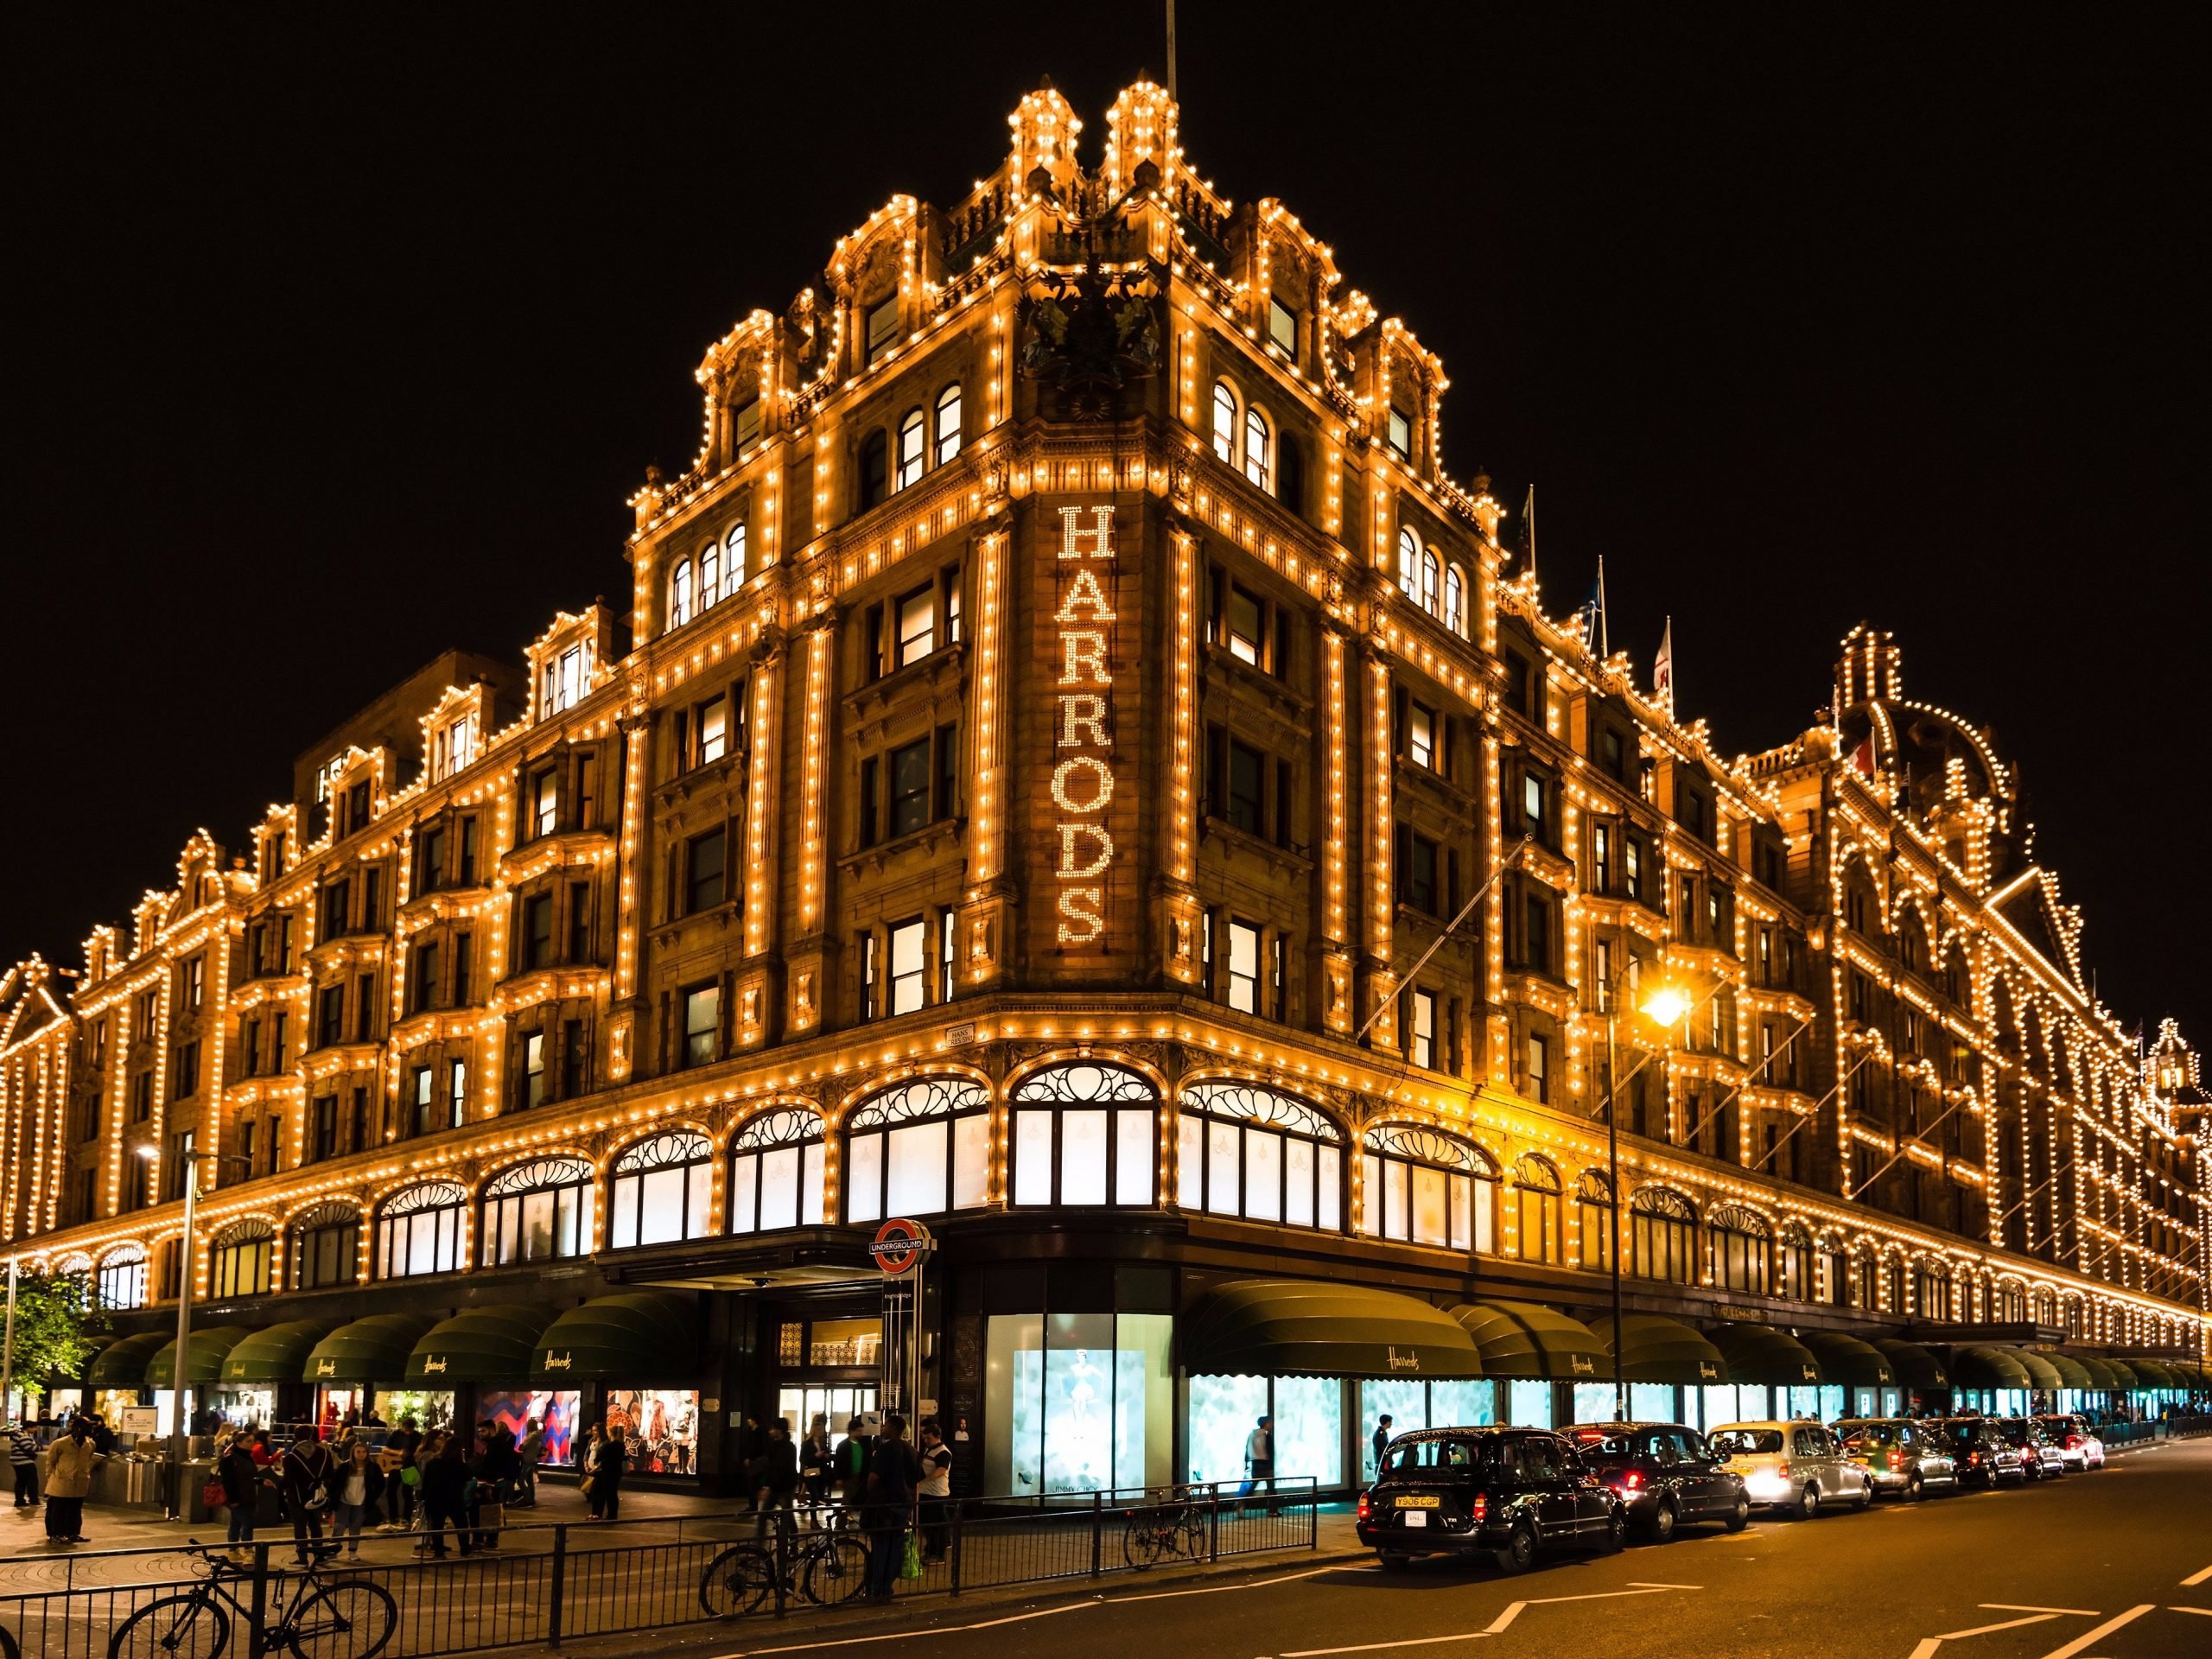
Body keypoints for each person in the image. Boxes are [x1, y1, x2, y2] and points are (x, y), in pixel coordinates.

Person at [861, 1414, 920, 1602]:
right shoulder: (912, 1450)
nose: (882, 1427)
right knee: (894, 1548)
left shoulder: (885, 1449)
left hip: (884, 1506)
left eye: (885, 1424)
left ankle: (875, 1589)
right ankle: (886, 1588)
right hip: (903, 1506)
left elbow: (873, 1478)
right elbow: (917, 1478)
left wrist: (870, 1494)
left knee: (880, 1548)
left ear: (894, 1428)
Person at [279, 1424, 336, 1565]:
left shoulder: (291, 1457)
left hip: (297, 1498)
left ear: (295, 1436)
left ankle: (303, 1558)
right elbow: (330, 1475)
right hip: (317, 1496)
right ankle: (319, 1555)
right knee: (315, 1525)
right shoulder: (325, 1453)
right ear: (311, 1435)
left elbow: (288, 1480)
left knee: (300, 1528)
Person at [42, 1416, 102, 1545]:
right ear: (77, 1428)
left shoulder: (90, 1444)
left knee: (75, 1510)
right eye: (87, 1426)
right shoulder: (60, 1443)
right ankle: (55, 1534)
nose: (90, 1429)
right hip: (61, 1482)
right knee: (57, 1510)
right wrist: (53, 1477)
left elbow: (88, 1459)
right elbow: (50, 1462)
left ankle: (73, 1533)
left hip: (80, 1482)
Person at [416, 1433, 470, 1558]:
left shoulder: (433, 1463)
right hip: (454, 1498)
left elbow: (426, 1481)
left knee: (437, 1526)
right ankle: (465, 1549)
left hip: (434, 1498)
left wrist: (424, 1497)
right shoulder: (459, 1465)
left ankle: (439, 1552)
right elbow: (468, 1476)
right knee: (461, 1524)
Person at [468, 1420, 518, 1551]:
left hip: (489, 1484)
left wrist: (489, 1485)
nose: (480, 1434)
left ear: (491, 1430)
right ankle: (491, 1539)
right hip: (496, 1483)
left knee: (478, 1512)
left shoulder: (495, 1445)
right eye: (479, 1431)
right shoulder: (497, 1444)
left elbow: (493, 1466)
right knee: (492, 1511)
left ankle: (479, 1540)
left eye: (483, 1431)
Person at [334, 1439, 385, 1559]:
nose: (361, 1454)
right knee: (339, 1527)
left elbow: (380, 1484)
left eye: (363, 1451)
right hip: (344, 1500)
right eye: (358, 1452)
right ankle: (333, 1550)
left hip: (361, 1502)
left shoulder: (373, 1467)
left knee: (355, 1527)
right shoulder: (345, 1467)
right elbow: (335, 1484)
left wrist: (372, 1497)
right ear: (353, 1453)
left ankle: (352, 1551)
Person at [217, 1432, 262, 1561]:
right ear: (238, 1443)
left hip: (248, 1495)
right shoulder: (230, 1459)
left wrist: (261, 1481)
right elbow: (228, 1481)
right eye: (248, 1441)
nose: (252, 1443)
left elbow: (249, 1477)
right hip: (239, 1497)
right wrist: (233, 1500)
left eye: (253, 1440)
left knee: (236, 1523)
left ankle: (233, 1551)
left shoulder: (248, 1457)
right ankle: (248, 1552)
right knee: (247, 1523)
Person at [752, 1417, 799, 1536]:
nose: (770, 1431)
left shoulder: (788, 1447)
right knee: (764, 1516)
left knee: (788, 1518)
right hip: (775, 1487)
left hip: (785, 1488)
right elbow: (770, 1467)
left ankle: (793, 1543)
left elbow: (780, 1469)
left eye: (773, 1429)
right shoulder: (773, 1445)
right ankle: (759, 1547)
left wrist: (768, 1487)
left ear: (780, 1430)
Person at [916, 1421, 952, 1564]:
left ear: (937, 1437)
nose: (925, 1441)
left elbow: (941, 1470)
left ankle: (938, 1554)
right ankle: (930, 1551)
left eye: (928, 1438)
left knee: (937, 1526)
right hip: (926, 1492)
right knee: (927, 1525)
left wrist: (923, 1481)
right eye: (924, 1438)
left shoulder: (943, 1452)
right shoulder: (929, 1449)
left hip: (937, 1494)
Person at [380, 1416, 420, 1529]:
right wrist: (397, 1452)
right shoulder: (396, 1434)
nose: (408, 1432)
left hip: (409, 1467)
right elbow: (385, 1449)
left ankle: (407, 1518)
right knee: (391, 1491)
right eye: (406, 1429)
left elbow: (419, 1452)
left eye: (410, 1429)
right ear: (403, 1427)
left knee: (407, 1493)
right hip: (395, 1467)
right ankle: (394, 1517)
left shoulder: (417, 1437)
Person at [834, 1415, 871, 1513]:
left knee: (852, 1499)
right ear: (852, 1431)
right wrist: (839, 1478)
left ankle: (844, 1519)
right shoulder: (843, 1445)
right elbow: (838, 1462)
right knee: (848, 1499)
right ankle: (841, 1522)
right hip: (849, 1476)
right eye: (858, 1430)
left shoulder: (862, 1444)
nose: (861, 1433)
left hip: (860, 1476)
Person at [594, 1426, 628, 1521]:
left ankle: (609, 1515)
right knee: (613, 1493)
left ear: (611, 1433)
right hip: (617, 1472)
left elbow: (599, 1458)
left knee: (608, 1493)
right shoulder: (621, 1445)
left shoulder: (609, 1446)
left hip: (608, 1472)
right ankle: (613, 1514)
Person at [800, 1414, 835, 1510]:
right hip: (811, 1473)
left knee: (819, 1496)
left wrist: (827, 1456)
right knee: (815, 1496)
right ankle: (813, 1520)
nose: (821, 1431)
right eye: (819, 1429)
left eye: (822, 1429)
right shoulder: (807, 1443)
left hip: (821, 1473)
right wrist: (815, 1456)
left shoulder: (822, 1442)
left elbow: (825, 1456)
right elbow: (802, 1459)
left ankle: (815, 1518)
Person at [516, 1417, 546, 1509]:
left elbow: (523, 1447)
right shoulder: (539, 1435)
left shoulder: (532, 1436)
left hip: (528, 1460)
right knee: (529, 1481)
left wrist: (521, 1446)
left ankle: (527, 1499)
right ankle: (531, 1499)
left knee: (521, 1481)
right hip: (533, 1459)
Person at [8, 1420, 39, 1508]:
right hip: (24, 1461)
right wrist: (44, 1447)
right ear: (29, 1427)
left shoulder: (18, 1435)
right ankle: (33, 1499)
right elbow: (29, 1448)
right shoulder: (24, 1436)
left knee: (20, 1481)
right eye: (35, 1427)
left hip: (17, 1461)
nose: (36, 1429)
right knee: (32, 1480)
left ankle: (19, 1500)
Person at [1243, 1414, 1274, 1498]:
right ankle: (1272, 1509)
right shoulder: (1267, 1436)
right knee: (1271, 1488)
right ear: (1265, 1424)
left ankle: (1242, 1501)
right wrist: (1271, 1465)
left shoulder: (1251, 1435)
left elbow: (1247, 1450)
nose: (1271, 1425)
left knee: (1253, 1486)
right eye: (1269, 1423)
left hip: (1255, 1464)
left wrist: (1246, 1464)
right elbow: (1270, 1452)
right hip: (1266, 1464)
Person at [1370, 1414, 1395, 1478]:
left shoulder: (1383, 1433)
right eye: (1390, 1422)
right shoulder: (1379, 1435)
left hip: (1383, 1463)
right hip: (1382, 1464)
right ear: (1387, 1422)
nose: (1391, 1423)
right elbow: (1385, 1449)